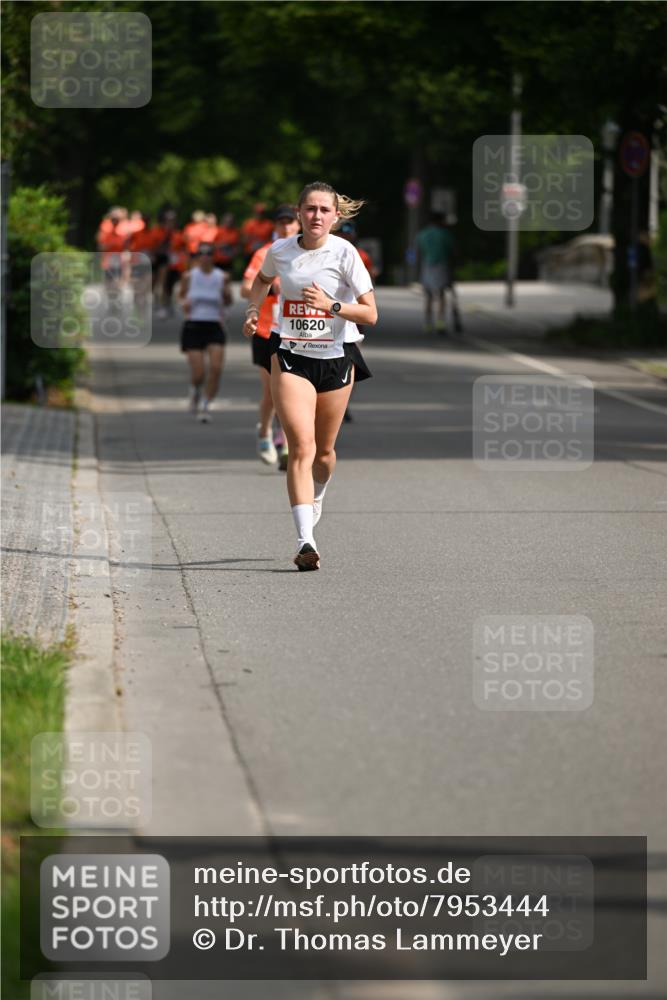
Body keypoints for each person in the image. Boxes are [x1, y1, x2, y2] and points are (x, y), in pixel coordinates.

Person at [242, 181, 377, 571]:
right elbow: (262, 281)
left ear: (335, 217)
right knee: (300, 448)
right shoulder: (280, 250)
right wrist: (254, 310)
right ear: (299, 214)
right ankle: (306, 541)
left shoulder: (346, 253)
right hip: (291, 355)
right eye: (310, 209)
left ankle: (318, 493)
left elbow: (370, 314)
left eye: (324, 210)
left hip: (336, 358)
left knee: (323, 453)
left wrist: (332, 305)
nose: (316, 216)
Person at [241, 204, 300, 468]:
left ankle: (286, 445)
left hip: (297, 332)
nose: (286, 227)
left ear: (298, 224)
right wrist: (271, 288)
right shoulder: (266, 253)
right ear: (275, 226)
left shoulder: (306, 252)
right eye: (281, 223)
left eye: (290, 222)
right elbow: (246, 288)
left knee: (289, 391)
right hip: (266, 330)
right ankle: (265, 431)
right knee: (272, 393)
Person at [179, 243, 232, 423]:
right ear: (196, 257)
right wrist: (183, 303)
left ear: (213, 256)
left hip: (214, 326)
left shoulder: (222, 276)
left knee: (216, 369)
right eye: (200, 253)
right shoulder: (189, 276)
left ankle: (205, 403)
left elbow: (229, 301)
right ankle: (194, 391)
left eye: (208, 253)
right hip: (193, 325)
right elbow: (181, 296)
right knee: (199, 373)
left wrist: (225, 291)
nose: (205, 256)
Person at [416, 212, 454, 334]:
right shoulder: (444, 234)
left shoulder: (422, 234)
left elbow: (418, 251)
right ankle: (440, 323)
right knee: (441, 295)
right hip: (441, 265)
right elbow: (452, 251)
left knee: (428, 296)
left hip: (427, 265)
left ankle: (427, 323)